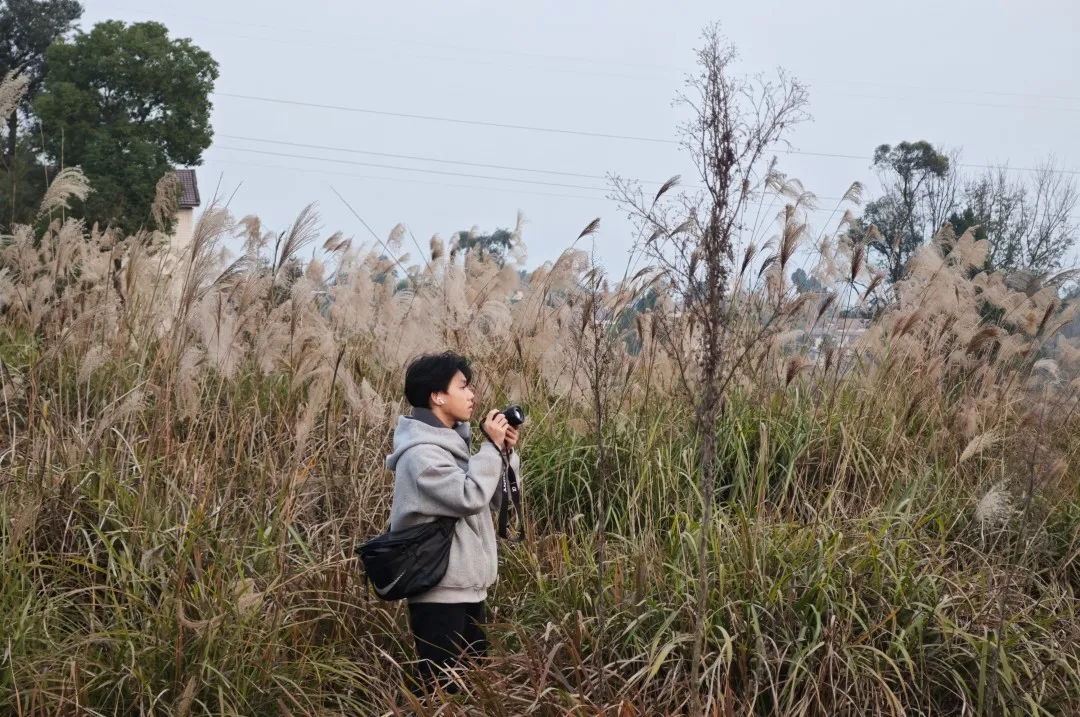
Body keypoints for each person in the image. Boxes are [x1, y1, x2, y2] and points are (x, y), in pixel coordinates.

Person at [385, 351, 522, 693]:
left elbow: (498, 500)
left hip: (468, 588)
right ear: (437, 396)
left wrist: (504, 453)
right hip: (439, 593)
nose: (472, 394)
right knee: (440, 694)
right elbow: (469, 496)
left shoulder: (453, 448)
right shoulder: (420, 454)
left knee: (475, 693)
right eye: (463, 386)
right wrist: (489, 449)